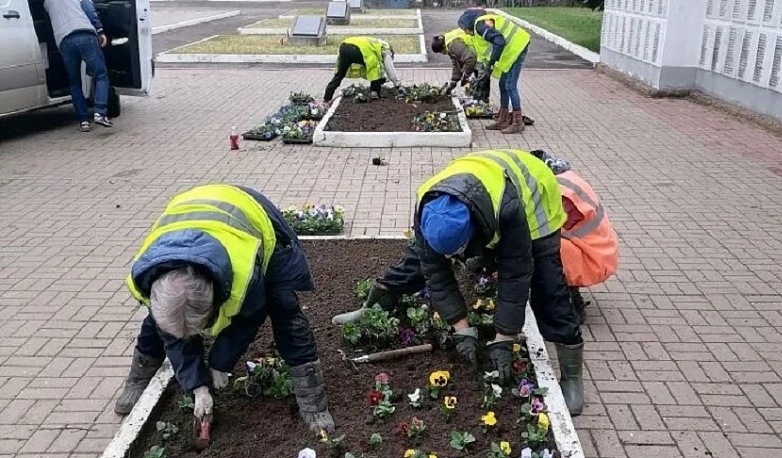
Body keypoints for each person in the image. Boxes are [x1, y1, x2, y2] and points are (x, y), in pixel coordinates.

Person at [333, 149, 586, 416]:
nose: (454, 260)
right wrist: (461, 328)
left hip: (534, 197)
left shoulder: (507, 208)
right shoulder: (427, 207)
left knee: (548, 285)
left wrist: (504, 338)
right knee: (418, 260)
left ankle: (571, 375)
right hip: (479, 186)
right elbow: (437, 275)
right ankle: (375, 305)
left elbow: (514, 275)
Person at [114, 184, 335, 434]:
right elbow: (173, 336)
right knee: (162, 321)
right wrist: (197, 386)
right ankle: (138, 378)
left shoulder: (243, 273)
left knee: (285, 308)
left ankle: (312, 401)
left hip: (253, 213)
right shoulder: (147, 279)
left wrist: (221, 363)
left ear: (214, 299)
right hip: (188, 210)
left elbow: (248, 319)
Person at [530, 150, 619, 322]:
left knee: (543, 247)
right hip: (598, 250)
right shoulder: (564, 177)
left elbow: (548, 228)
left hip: (592, 258)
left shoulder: (562, 192)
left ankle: (570, 306)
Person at [44, 0, 114, 132]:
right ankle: (100, 112)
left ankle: (83, 121)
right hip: (85, 34)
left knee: (74, 82)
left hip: (64, 40)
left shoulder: (47, 3)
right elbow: (88, 8)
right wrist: (99, 30)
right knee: (101, 75)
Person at [458, 10, 531, 134]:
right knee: (503, 84)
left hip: (517, 48)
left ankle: (518, 122)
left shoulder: (480, 27)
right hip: (512, 50)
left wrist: (492, 62)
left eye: (465, 29)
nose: (465, 32)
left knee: (510, 85)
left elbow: (499, 41)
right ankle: (503, 120)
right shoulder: (480, 26)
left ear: (469, 25)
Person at [323, 37, 401, 104]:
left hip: (344, 47)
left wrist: (383, 78)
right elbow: (389, 66)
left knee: (340, 74)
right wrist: (397, 83)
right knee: (375, 69)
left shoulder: (374, 43)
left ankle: (327, 98)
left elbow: (366, 71)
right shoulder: (386, 49)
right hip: (357, 50)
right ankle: (375, 93)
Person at [430, 29, 491, 102]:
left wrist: (466, 75)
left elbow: (471, 59)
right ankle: (481, 100)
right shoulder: (447, 40)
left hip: (483, 54)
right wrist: (454, 80)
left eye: (441, 52)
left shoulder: (453, 45)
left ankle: (482, 103)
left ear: (443, 48)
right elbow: (456, 62)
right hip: (477, 54)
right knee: (479, 80)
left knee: (481, 81)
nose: (443, 54)